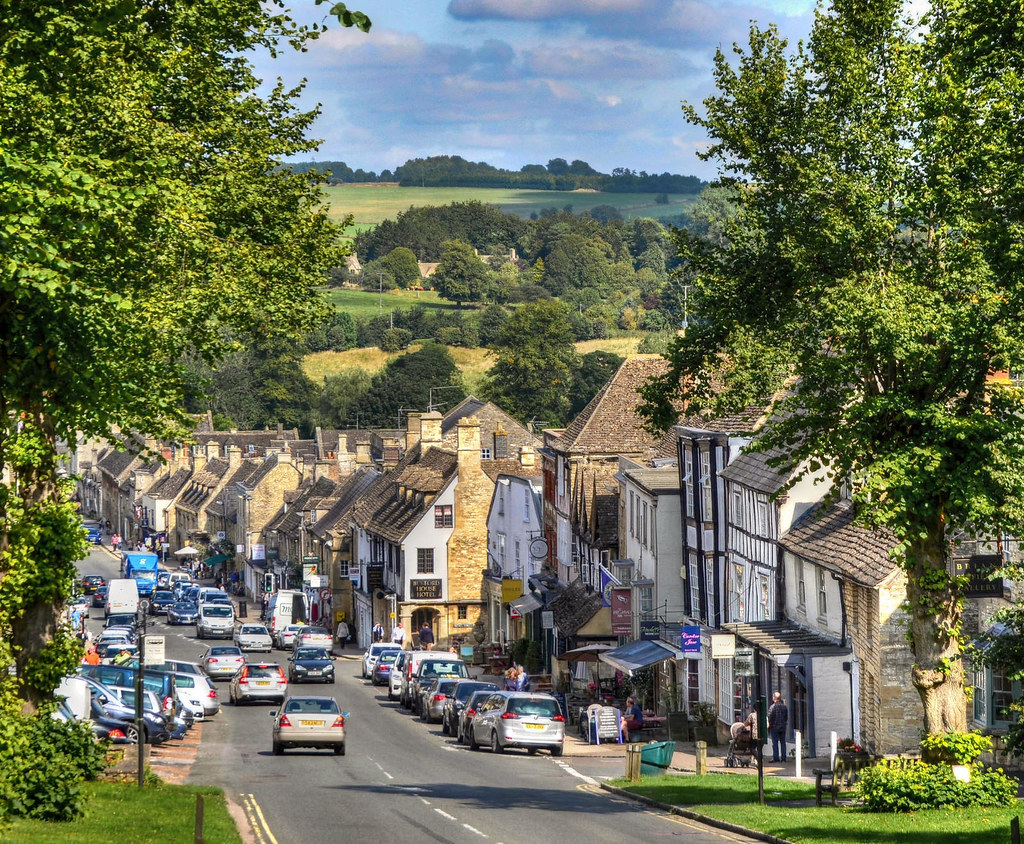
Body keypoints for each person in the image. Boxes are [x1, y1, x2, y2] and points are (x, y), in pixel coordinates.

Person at [767, 690, 789, 762]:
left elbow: (770, 717)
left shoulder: (772, 707)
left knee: (775, 743)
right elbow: (786, 717)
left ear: (774, 698)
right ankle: (783, 758)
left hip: (775, 727)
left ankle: (776, 758)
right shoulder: (784, 707)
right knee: (783, 743)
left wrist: (770, 725)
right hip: (783, 726)